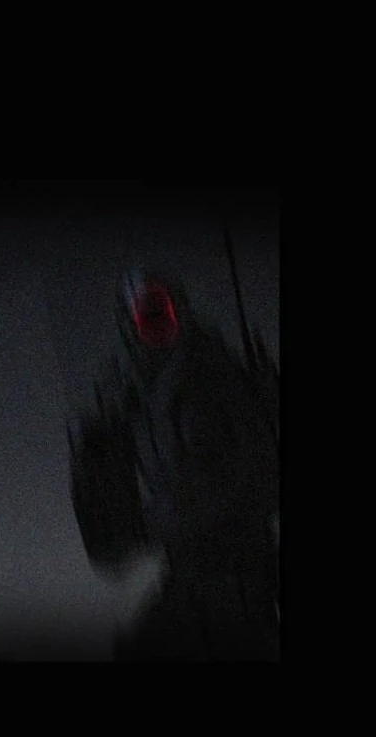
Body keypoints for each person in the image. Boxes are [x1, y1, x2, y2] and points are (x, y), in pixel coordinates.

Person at [69, 268, 279, 661]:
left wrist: (151, 525)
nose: (155, 322)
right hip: (193, 572)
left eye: (160, 309)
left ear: (178, 309)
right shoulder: (140, 390)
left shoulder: (207, 378)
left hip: (235, 570)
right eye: (145, 313)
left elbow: (225, 480)